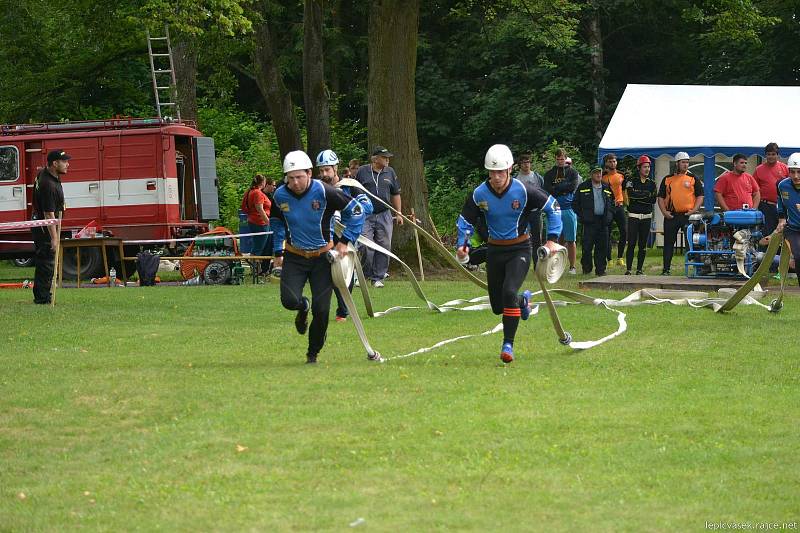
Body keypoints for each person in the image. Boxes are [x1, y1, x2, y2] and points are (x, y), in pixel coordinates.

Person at [456, 144, 562, 364]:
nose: (496, 177)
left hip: (520, 249)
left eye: (500, 172)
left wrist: (552, 239)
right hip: (495, 251)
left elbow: (554, 208)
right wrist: (463, 245)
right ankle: (523, 302)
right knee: (498, 307)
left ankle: (508, 345)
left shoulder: (523, 190)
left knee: (508, 290)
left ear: (510, 169)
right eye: (492, 172)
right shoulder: (479, 194)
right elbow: (466, 222)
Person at [270, 150, 378, 364]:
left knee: (322, 310)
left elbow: (356, 211)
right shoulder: (280, 195)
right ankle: (302, 307)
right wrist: (277, 252)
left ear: (309, 173)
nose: (295, 183)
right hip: (295, 257)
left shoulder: (325, 191)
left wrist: (345, 241)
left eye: (299, 177)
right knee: (289, 300)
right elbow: (276, 223)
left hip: (322, 258)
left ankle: (312, 353)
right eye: (290, 178)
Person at [315, 149, 374, 322]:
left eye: (327, 169)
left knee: (343, 272)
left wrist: (347, 208)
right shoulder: (318, 188)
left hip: (346, 235)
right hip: (325, 235)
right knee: (326, 273)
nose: (324, 174)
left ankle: (343, 310)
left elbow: (367, 207)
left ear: (335, 168)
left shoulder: (350, 186)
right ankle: (330, 310)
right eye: (321, 170)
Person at [354, 146, 402, 287]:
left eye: (388, 157)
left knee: (384, 245)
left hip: (384, 214)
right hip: (366, 215)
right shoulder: (362, 171)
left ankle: (378, 278)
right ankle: (363, 275)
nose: (387, 159)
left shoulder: (390, 172)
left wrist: (398, 213)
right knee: (365, 245)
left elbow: (396, 193)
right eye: (384, 157)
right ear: (375, 159)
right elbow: (355, 191)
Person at [31, 149, 69, 304]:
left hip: (43, 223)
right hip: (45, 226)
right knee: (46, 262)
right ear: (55, 163)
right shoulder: (48, 184)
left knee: (45, 260)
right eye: (64, 161)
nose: (68, 164)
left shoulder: (46, 174)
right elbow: (48, 214)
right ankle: (42, 298)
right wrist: (54, 238)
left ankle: (43, 294)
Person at [657, 151, 704, 275]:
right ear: (677, 163)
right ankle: (666, 269)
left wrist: (694, 210)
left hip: (688, 215)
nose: (686, 165)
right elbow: (660, 197)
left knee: (692, 242)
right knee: (668, 243)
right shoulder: (667, 179)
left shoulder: (693, 178)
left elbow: (700, 196)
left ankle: (695, 269)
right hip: (671, 215)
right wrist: (664, 212)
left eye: (687, 162)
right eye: (683, 162)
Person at [543, 148, 580, 274]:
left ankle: (572, 266)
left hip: (569, 209)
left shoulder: (573, 173)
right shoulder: (549, 174)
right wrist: (562, 188)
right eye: (558, 159)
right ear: (555, 159)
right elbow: (548, 189)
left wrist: (557, 188)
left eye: (562, 158)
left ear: (566, 159)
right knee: (554, 239)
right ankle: (555, 265)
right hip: (554, 210)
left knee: (571, 239)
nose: (560, 161)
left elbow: (572, 186)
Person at [573, 167, 614, 276]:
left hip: (603, 221)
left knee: (602, 247)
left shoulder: (606, 187)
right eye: (596, 173)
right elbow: (575, 204)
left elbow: (612, 203)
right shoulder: (583, 187)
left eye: (600, 172)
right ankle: (587, 269)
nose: (598, 175)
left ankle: (600, 270)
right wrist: (583, 216)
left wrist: (609, 216)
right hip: (589, 222)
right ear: (591, 174)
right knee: (587, 247)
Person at [623, 155, 657, 275]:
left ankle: (639, 269)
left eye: (648, 167)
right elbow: (631, 195)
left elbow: (653, 200)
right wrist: (645, 195)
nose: (647, 169)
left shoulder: (652, 183)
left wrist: (640, 196)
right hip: (633, 216)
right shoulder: (631, 181)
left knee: (643, 245)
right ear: (639, 168)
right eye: (644, 167)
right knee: (631, 243)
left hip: (646, 217)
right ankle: (628, 269)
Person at [513, 151, 545, 266]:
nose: (526, 165)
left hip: (536, 212)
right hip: (521, 213)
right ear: (520, 164)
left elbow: (543, 193)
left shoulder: (537, 177)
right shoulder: (515, 179)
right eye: (524, 162)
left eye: (528, 162)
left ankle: (538, 265)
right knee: (520, 239)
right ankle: (520, 263)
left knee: (537, 239)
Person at [776, 152, 800, 286]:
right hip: (793, 228)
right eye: (792, 172)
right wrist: (781, 219)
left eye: (799, 172)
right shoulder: (782, 185)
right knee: (798, 257)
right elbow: (780, 202)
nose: (796, 176)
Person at [754, 142, 788, 235]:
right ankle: (766, 250)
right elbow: (754, 190)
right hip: (766, 206)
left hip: (783, 206)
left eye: (773, 154)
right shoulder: (759, 169)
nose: (771, 156)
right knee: (767, 233)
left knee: (783, 232)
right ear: (765, 155)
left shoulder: (785, 168)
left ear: (778, 155)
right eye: (768, 154)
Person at [241, 174, 272, 274]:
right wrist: (268, 221)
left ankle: (259, 270)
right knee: (258, 247)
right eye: (265, 182)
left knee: (259, 246)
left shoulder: (250, 191)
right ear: (262, 182)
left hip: (254, 221)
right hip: (260, 223)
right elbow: (260, 209)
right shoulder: (257, 193)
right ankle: (255, 271)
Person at [601, 153, 627, 266]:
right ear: (606, 163)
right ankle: (609, 259)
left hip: (620, 207)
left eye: (614, 161)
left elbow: (625, 190)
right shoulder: (602, 176)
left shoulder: (622, 175)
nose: (613, 163)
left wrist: (626, 203)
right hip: (608, 208)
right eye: (610, 161)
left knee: (624, 231)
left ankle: (620, 257)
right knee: (607, 233)